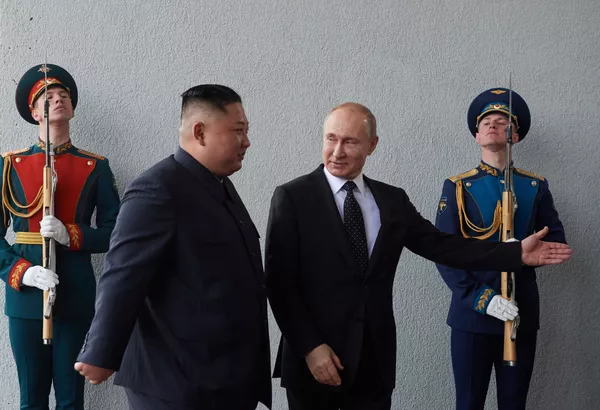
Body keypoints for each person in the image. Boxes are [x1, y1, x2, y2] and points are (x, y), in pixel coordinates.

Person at [264, 102, 572, 410]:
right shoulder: (292, 197)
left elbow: (444, 246)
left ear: (372, 145)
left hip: (374, 364)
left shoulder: (391, 200)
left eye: (350, 142)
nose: (337, 151)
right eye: (331, 138)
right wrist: (310, 347)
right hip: (314, 362)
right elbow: (279, 284)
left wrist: (514, 253)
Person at [74, 84, 271, 410]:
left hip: (223, 378)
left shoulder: (219, 186)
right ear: (200, 132)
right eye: (238, 131)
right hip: (176, 383)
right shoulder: (157, 188)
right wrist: (100, 352)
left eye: (246, 131)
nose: (246, 141)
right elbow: (124, 273)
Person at [434, 87, 566, 410]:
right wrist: (482, 299)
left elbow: (556, 242)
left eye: (503, 121)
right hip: (472, 315)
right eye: (486, 122)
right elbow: (444, 253)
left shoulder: (535, 185)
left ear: (515, 136)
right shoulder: (458, 187)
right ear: (477, 136)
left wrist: (525, 254)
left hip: (520, 312)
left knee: (513, 403)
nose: (493, 125)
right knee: (468, 403)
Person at [0, 63, 120, 409]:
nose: (58, 99)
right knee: (31, 399)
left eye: (63, 95)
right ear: (34, 112)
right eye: (48, 96)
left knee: (70, 399)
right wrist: (21, 271)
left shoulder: (95, 166)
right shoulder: (10, 165)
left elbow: (116, 233)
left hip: (75, 292)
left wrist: (72, 235)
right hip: (25, 295)